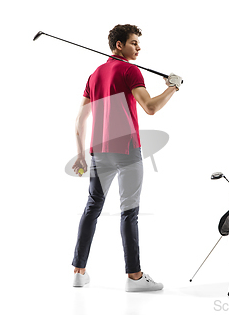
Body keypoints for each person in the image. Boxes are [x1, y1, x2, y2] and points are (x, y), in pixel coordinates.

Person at [70, 24, 182, 292]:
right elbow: (151, 108)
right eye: (134, 43)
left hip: (99, 151)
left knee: (92, 207)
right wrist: (173, 88)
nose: (139, 48)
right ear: (119, 45)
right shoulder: (130, 70)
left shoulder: (95, 74)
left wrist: (80, 155)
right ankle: (134, 276)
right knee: (129, 212)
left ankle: (78, 271)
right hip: (128, 150)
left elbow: (80, 119)